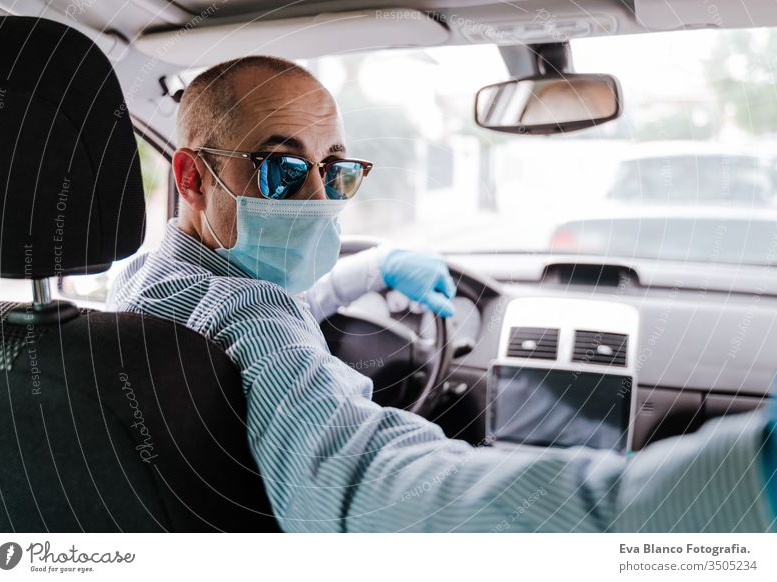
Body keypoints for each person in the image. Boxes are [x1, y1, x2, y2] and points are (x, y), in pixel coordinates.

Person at [108, 55, 777, 532]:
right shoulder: (257, 319)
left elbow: (241, 325)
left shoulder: (137, 286)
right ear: (192, 179)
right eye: (282, 171)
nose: (319, 201)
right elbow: (368, 496)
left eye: (336, 172)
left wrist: (371, 270)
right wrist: (716, 485)